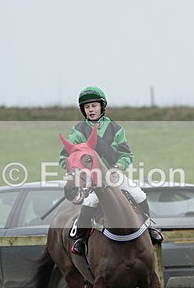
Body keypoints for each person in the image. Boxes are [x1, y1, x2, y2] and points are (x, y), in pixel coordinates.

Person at [59, 86, 162, 256]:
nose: (90, 110)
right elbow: (65, 157)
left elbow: (127, 154)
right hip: (92, 178)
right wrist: (78, 172)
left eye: (94, 106)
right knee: (90, 202)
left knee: (139, 195)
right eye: (87, 107)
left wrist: (119, 166)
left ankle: (149, 228)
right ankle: (81, 240)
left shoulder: (115, 128)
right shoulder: (78, 131)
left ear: (102, 106)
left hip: (114, 174)